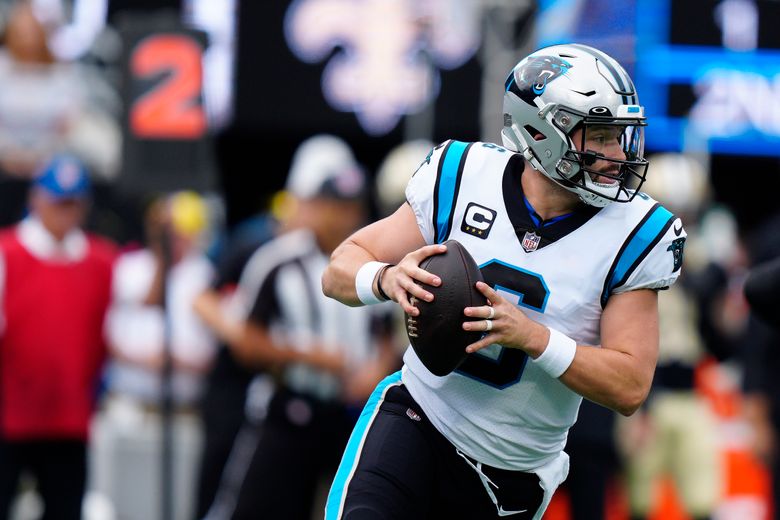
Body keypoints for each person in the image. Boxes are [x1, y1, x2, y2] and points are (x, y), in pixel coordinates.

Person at [321, 43, 686, 519]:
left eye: (621, 136)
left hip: (508, 477)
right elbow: (340, 268)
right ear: (541, 131)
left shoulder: (635, 233)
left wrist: (534, 337)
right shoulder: (462, 174)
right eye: (599, 135)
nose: (618, 154)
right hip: (416, 421)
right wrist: (386, 278)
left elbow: (630, 386)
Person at [198, 135, 399, 520]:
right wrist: (307, 356)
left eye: (351, 206)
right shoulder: (278, 260)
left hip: (349, 414)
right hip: (287, 411)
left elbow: (388, 335)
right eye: (334, 206)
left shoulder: (376, 265)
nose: (344, 217)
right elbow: (246, 341)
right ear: (314, 205)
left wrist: (376, 368)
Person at [0, 154, 116, 520]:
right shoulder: (7, 253)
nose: (64, 212)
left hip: (69, 418)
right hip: (8, 416)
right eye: (57, 202)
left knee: (65, 509)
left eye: (73, 204)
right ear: (36, 199)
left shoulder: (101, 260)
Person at [91, 191, 217, 520]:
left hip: (184, 413)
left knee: (180, 505)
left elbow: (209, 351)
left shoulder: (205, 274)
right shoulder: (129, 267)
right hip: (129, 409)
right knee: (122, 503)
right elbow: (113, 336)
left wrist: (173, 360)